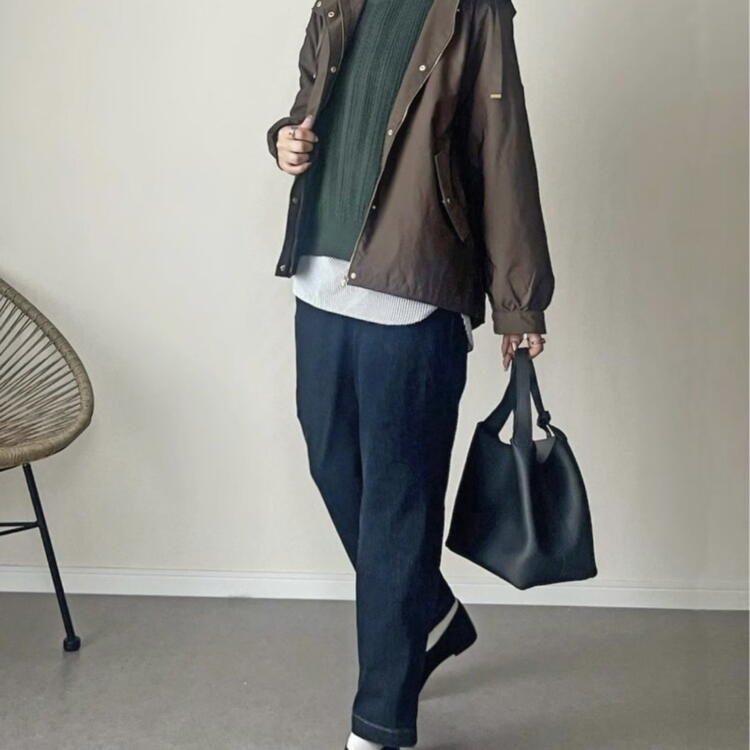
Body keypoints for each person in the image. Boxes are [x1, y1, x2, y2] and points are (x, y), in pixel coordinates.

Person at [266, 0, 554, 747]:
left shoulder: (474, 11)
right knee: (332, 463)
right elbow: (307, 104)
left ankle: (381, 722)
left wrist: (518, 304)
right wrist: (285, 141)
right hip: (320, 277)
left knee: (398, 506)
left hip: (415, 288)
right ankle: (430, 614)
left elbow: (502, 148)